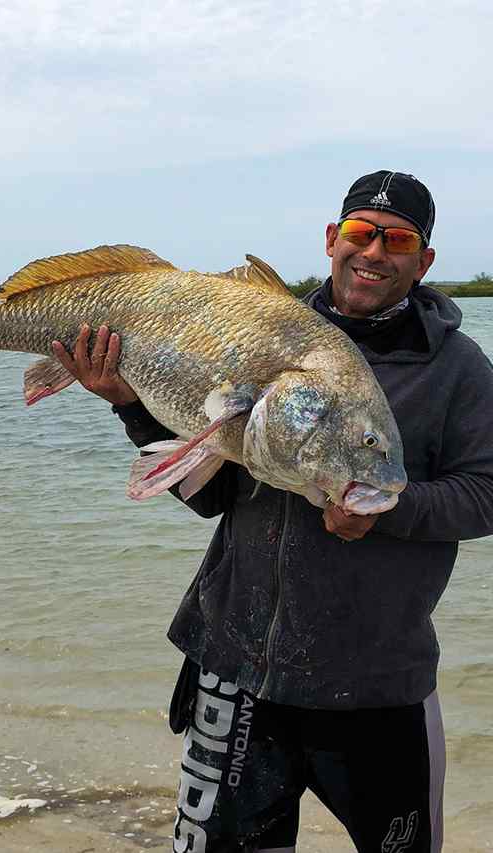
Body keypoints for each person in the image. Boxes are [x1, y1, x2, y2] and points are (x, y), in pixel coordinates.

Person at [52, 171, 493, 852]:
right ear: (332, 239)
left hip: (377, 684)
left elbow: (485, 492)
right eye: (360, 232)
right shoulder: (254, 330)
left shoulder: (457, 367)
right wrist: (131, 406)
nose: (374, 252)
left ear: (424, 260)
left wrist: (389, 509)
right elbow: (211, 499)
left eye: (398, 240)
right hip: (235, 668)